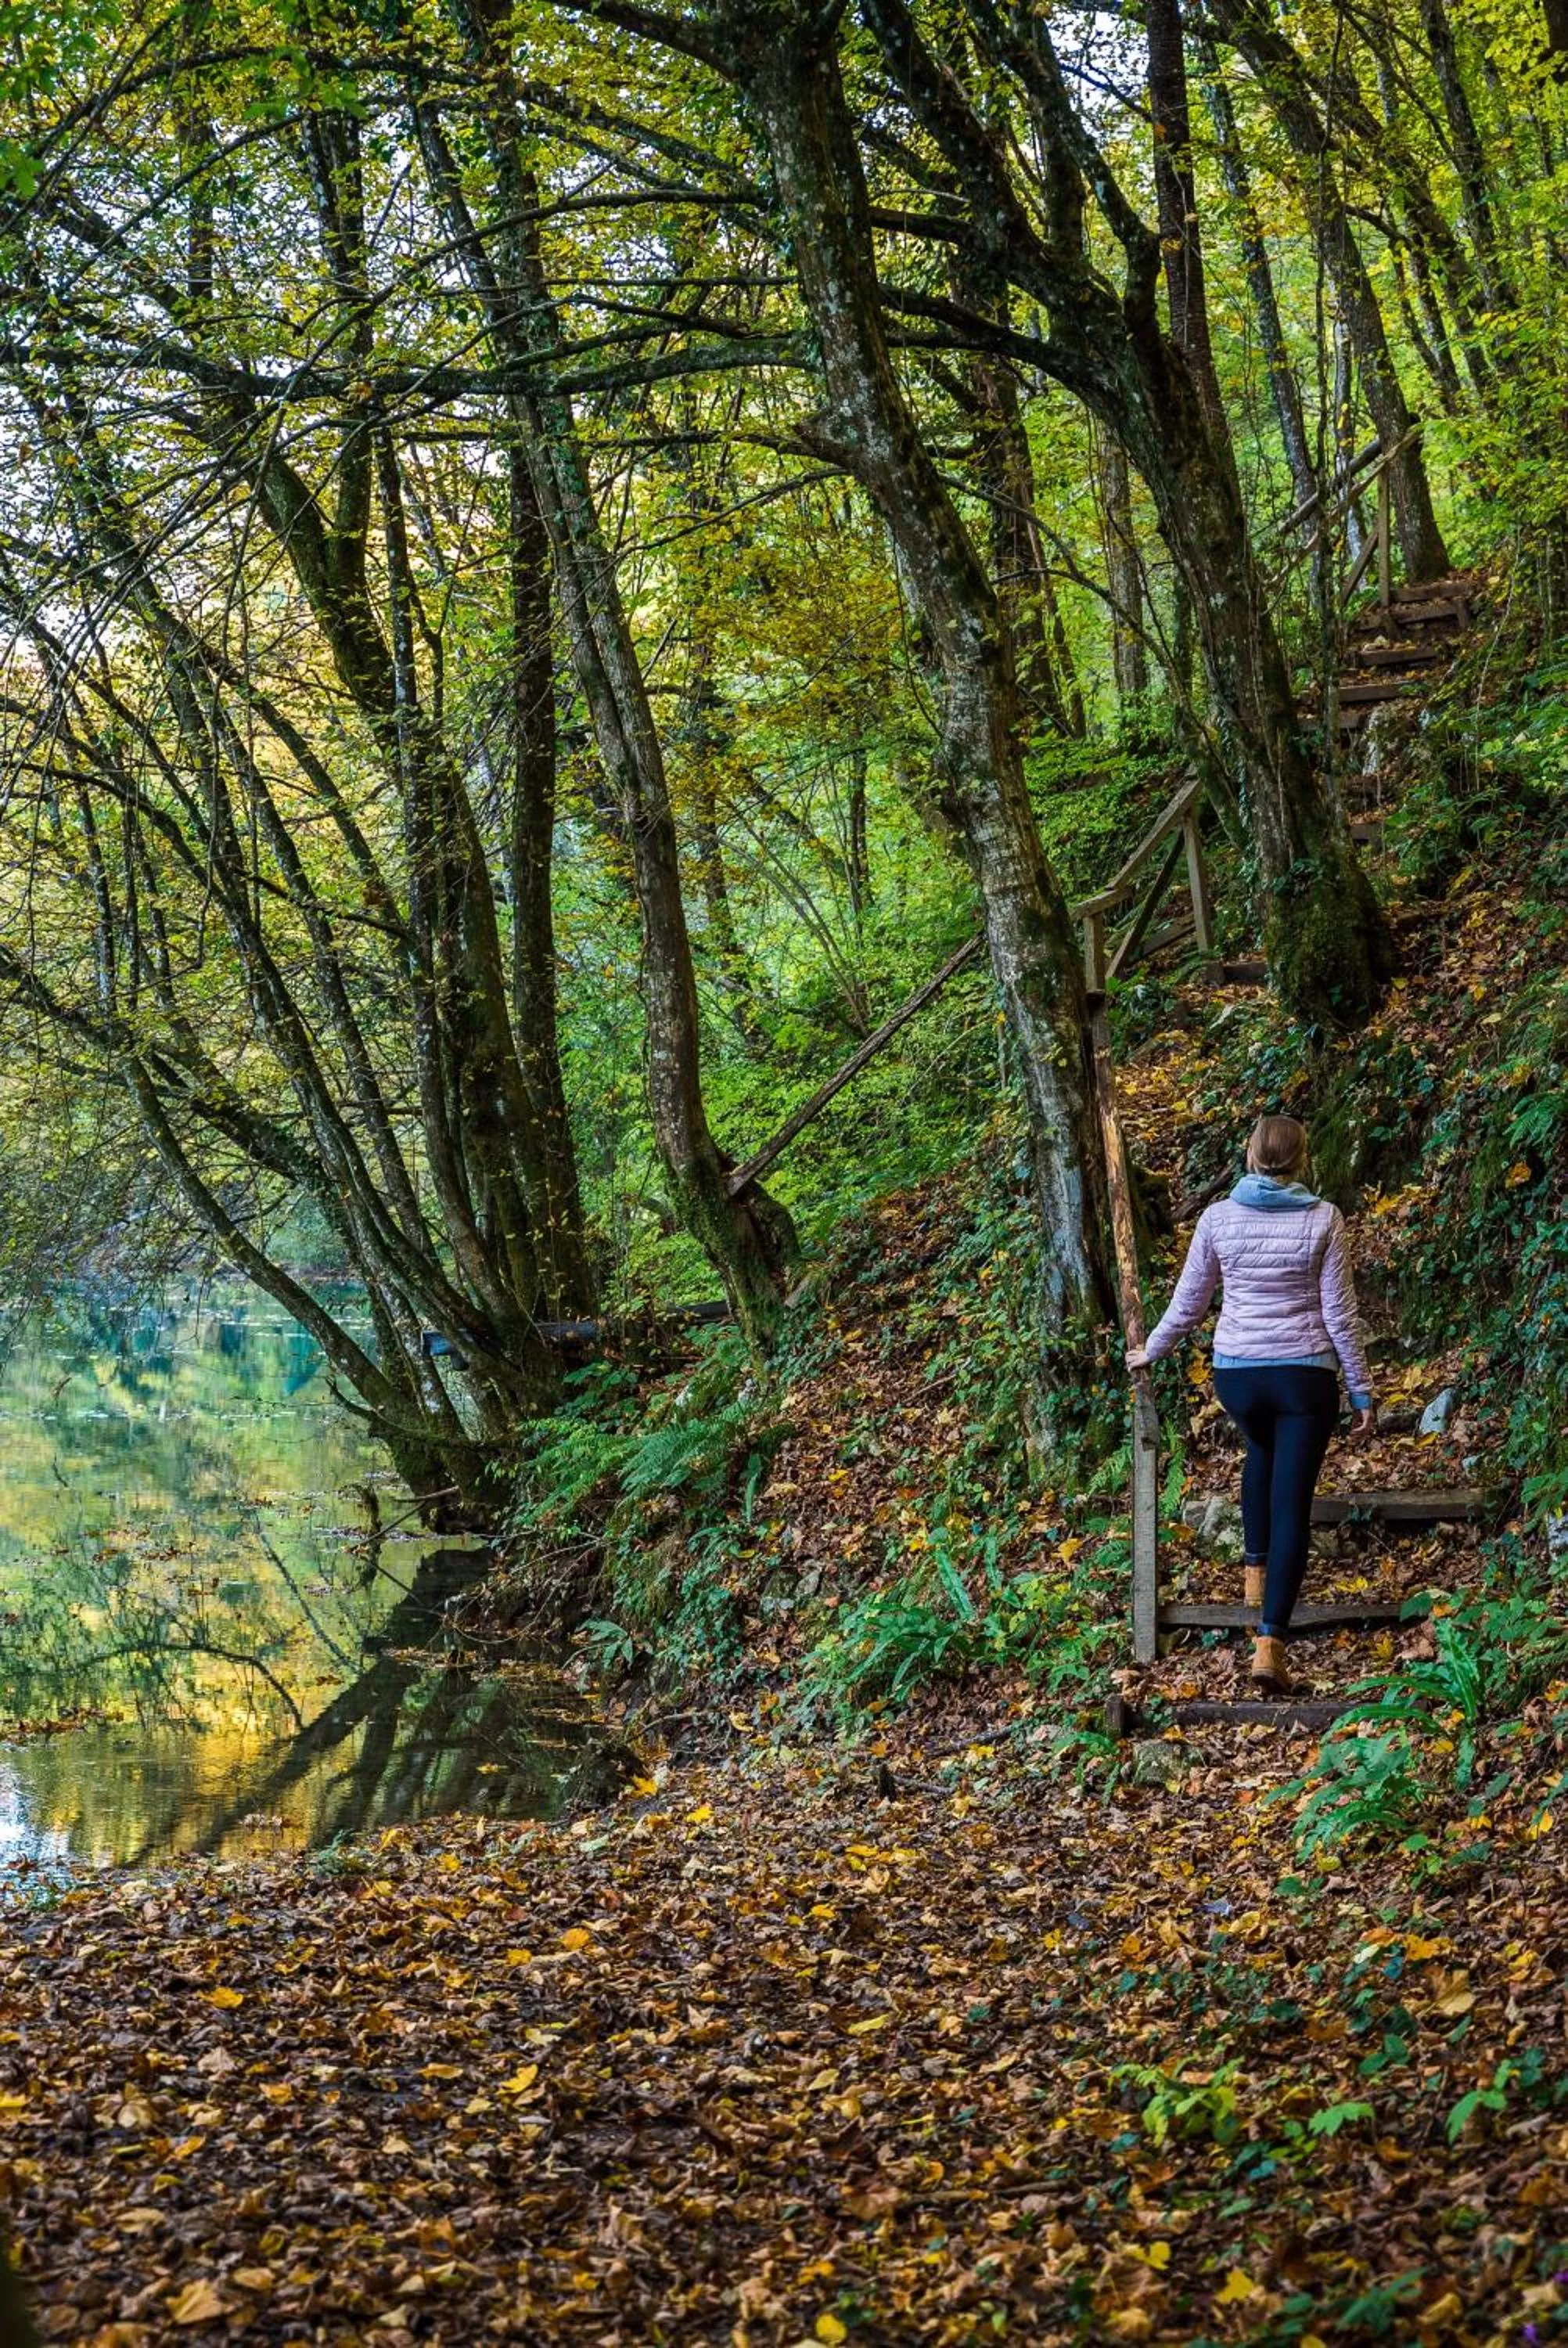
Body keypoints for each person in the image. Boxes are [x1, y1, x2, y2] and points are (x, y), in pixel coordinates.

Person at [1125, 1115, 1376, 1694]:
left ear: (1249, 1155)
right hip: (1303, 1377)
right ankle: (1269, 1645)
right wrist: (1360, 1388)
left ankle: (1254, 1574)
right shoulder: (1323, 1219)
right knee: (1293, 1501)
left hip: (1237, 1375)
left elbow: (1190, 1302)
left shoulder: (1218, 1219)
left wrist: (1151, 1351)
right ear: (1301, 1159)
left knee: (1259, 1450)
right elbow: (1339, 1315)